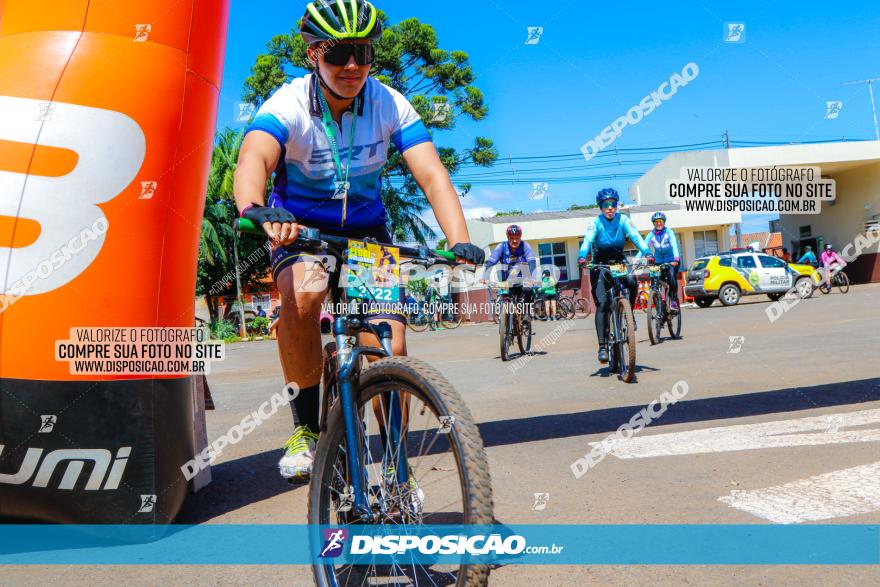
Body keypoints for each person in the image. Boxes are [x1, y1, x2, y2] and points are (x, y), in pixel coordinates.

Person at [234, 0, 484, 481]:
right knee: (303, 296)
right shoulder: (287, 104)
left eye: (363, 53)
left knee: (389, 343)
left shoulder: (389, 103)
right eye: (337, 53)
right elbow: (254, 159)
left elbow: (432, 175)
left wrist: (459, 239)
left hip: (368, 236)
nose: (352, 66)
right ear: (313, 55)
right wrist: (255, 207)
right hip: (301, 230)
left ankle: (396, 461)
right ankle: (306, 429)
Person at [577, 188, 652, 364]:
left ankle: (629, 313)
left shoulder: (624, 219)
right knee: (602, 304)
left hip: (618, 262)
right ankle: (602, 346)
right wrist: (582, 256)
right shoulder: (595, 223)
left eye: (613, 204)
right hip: (599, 265)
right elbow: (587, 241)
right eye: (606, 205)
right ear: (601, 207)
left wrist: (647, 251)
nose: (610, 208)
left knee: (632, 282)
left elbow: (635, 236)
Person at [638, 211, 681, 311]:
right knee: (654, 283)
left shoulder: (669, 232)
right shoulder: (650, 235)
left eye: (660, 221)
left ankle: (673, 300)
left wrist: (676, 259)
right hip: (658, 262)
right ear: (653, 223)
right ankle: (659, 308)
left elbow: (674, 245)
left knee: (671, 276)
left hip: (671, 261)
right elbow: (643, 247)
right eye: (656, 221)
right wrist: (637, 259)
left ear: (664, 222)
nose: (658, 223)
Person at [481, 225, 537, 301]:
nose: (515, 241)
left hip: (524, 278)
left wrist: (533, 278)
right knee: (504, 295)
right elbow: (491, 262)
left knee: (528, 290)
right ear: (508, 238)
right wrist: (485, 277)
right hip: (508, 279)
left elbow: (532, 262)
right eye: (512, 238)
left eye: (517, 238)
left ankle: (527, 310)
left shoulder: (525, 245)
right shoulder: (502, 246)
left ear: (520, 237)